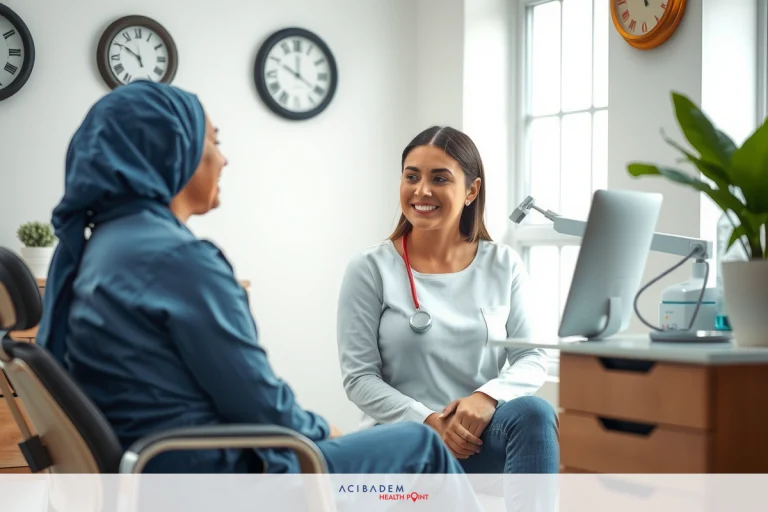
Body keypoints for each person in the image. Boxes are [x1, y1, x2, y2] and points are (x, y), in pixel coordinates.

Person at [34, 81, 468, 476]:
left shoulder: (101, 248)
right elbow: (263, 408)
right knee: (418, 443)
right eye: (214, 142)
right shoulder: (178, 260)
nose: (224, 159)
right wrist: (324, 429)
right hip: (213, 478)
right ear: (174, 149)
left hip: (155, 471)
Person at [336, 126, 560, 474]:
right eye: (412, 176)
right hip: (405, 441)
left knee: (535, 412)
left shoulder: (503, 264)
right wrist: (428, 420)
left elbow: (531, 356)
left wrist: (486, 398)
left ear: (471, 190)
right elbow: (360, 379)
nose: (422, 190)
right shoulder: (370, 268)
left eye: (439, 179)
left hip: (478, 438)